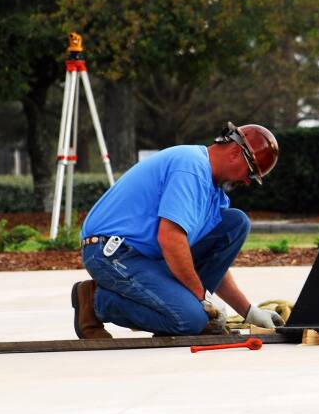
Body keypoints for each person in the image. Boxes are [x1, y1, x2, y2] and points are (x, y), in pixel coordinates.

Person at [70, 122, 285, 339]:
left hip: (145, 256)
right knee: (191, 320)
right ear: (234, 153)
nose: (247, 182)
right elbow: (171, 239)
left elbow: (212, 261)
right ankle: (96, 301)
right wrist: (202, 300)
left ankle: (178, 311)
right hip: (111, 253)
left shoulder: (214, 195)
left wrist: (248, 311)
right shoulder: (190, 167)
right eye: (250, 173)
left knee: (235, 223)